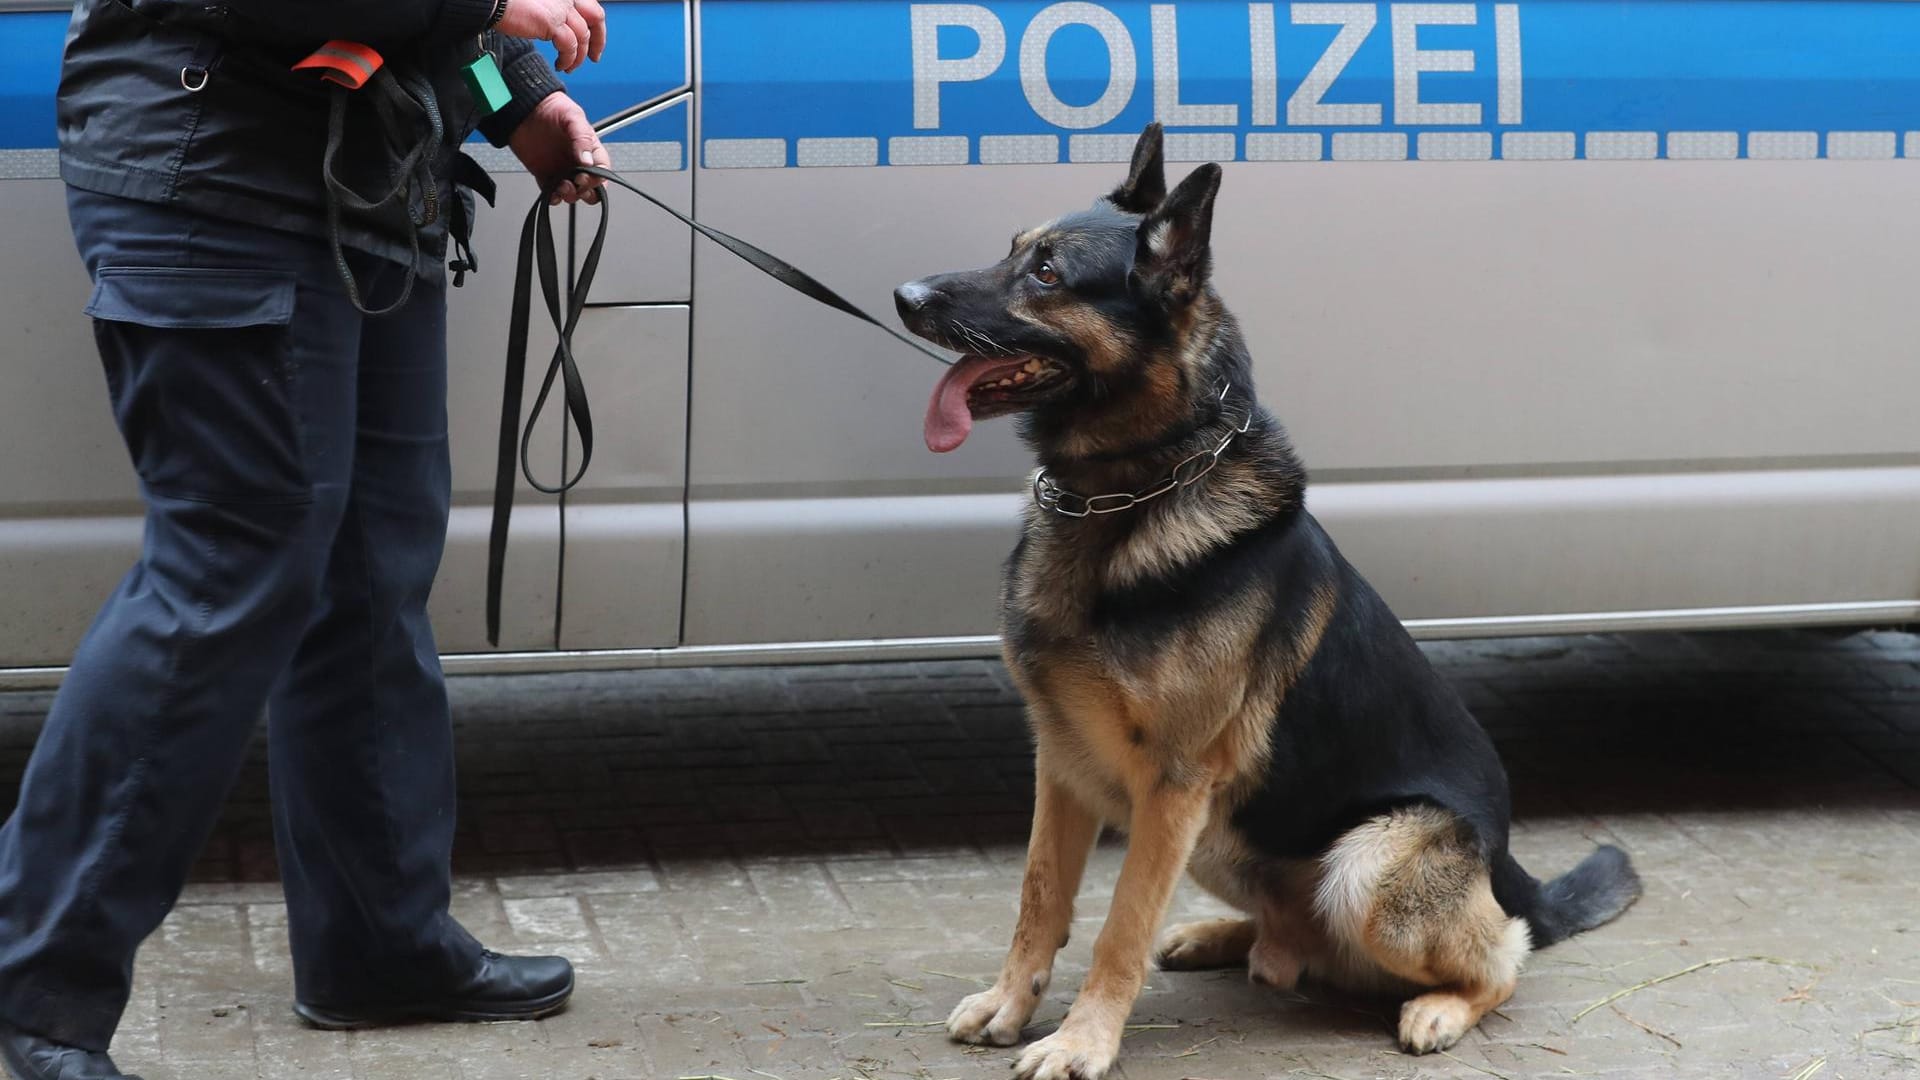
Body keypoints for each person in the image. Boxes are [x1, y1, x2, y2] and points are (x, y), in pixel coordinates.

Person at [0, 3, 617, 1078]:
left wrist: (516, 98)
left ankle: (378, 948)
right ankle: (33, 981)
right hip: (218, 185)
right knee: (228, 571)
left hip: (361, 192)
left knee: (369, 573)